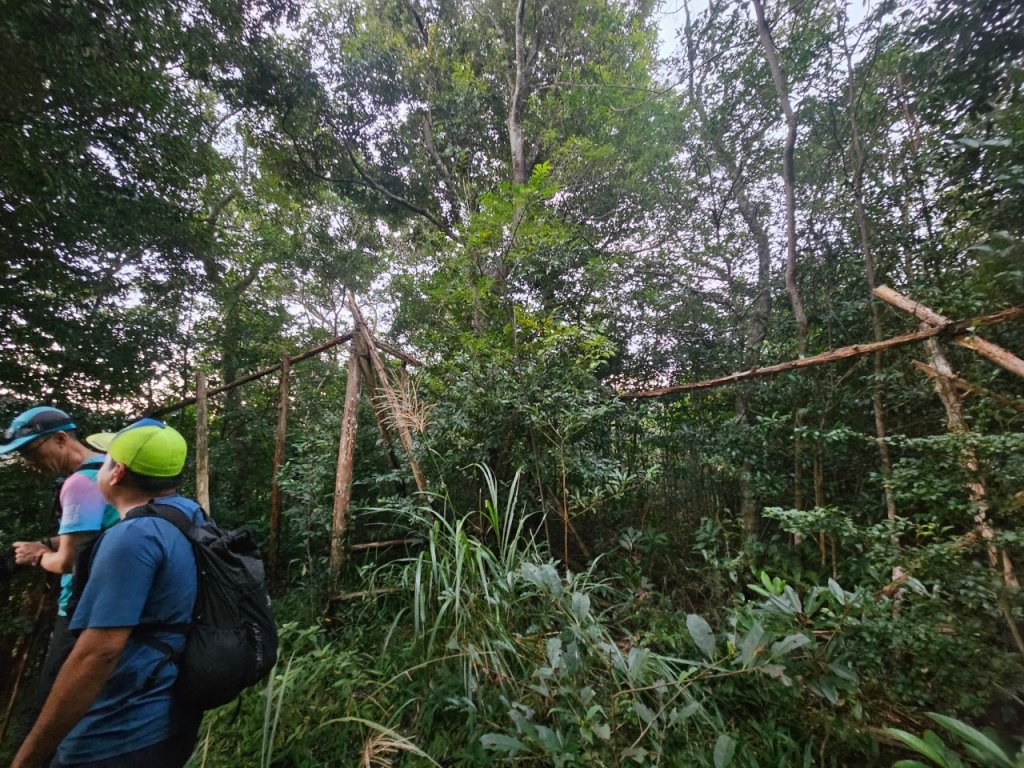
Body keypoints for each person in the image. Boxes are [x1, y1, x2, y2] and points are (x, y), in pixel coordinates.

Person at [12, 420, 205, 768]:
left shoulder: (130, 538)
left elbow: (97, 655)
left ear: (116, 473)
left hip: (117, 731)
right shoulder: (188, 514)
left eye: (105, 460)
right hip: (171, 713)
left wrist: (27, 757)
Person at [1, 407, 119, 729]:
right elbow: (93, 531)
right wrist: (46, 543)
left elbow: (69, 562)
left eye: (30, 451)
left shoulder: (79, 484)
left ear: (61, 438)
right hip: (113, 599)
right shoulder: (109, 467)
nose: (28, 461)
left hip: (80, 606)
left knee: (50, 710)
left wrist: (38, 557)